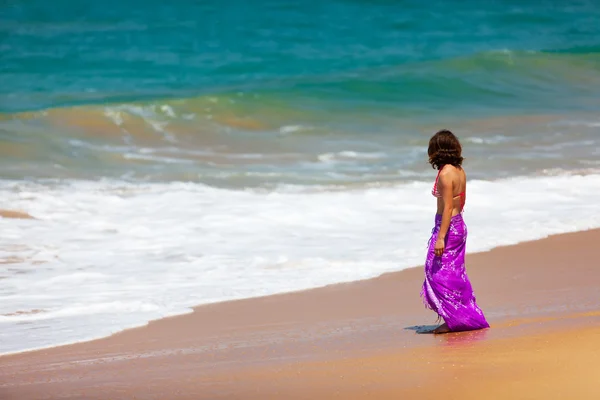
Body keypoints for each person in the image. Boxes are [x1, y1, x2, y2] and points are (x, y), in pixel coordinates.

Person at [420, 129, 490, 334]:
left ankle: (455, 320)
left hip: (448, 227)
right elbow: (462, 201)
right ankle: (463, 316)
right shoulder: (459, 171)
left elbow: (448, 207)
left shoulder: (445, 174)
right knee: (454, 273)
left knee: (437, 273)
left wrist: (441, 237)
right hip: (458, 225)